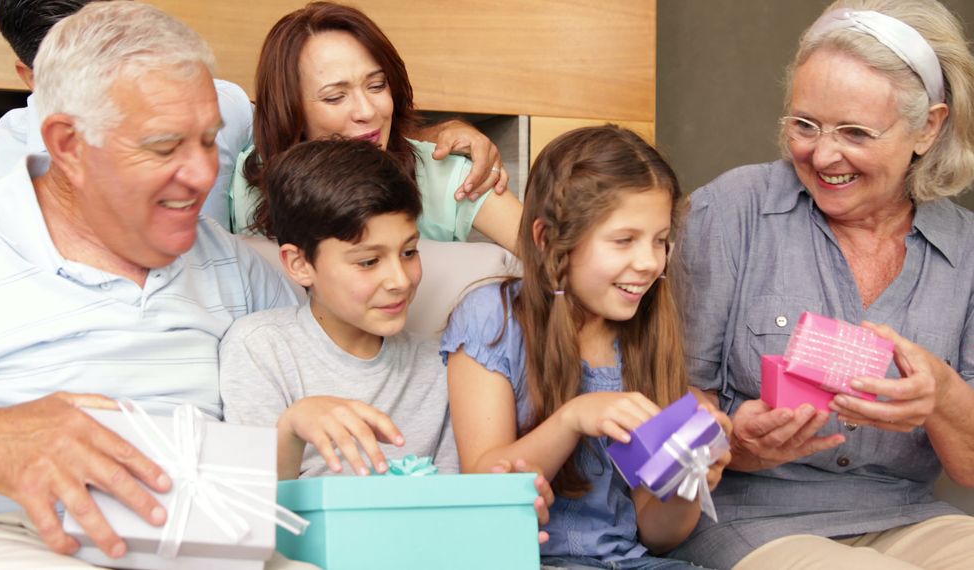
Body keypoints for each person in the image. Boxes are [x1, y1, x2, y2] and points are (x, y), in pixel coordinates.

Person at [0, 3, 305, 567]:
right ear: (67, 145)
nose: (202, 173)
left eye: (209, 141)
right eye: (164, 147)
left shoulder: (238, 269)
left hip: (209, 543)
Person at [670, 1, 974, 568]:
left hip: (906, 513)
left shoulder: (967, 252)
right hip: (749, 520)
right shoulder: (731, 211)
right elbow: (670, 399)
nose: (823, 154)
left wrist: (942, 392)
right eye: (805, 125)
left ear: (927, 127)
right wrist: (736, 443)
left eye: (855, 132)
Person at [0, 0, 501, 233]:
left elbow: (320, 124)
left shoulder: (222, 106)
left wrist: (435, 134)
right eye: (87, 65)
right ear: (31, 76)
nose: (194, 175)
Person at [441, 124, 732, 569]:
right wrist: (573, 418)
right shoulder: (492, 319)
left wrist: (685, 483)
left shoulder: (646, 331)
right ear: (547, 240)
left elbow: (656, 534)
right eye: (624, 240)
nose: (649, 263)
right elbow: (485, 487)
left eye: (659, 241)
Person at [219, 138, 457, 479]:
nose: (400, 281)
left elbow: (454, 508)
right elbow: (253, 510)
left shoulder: (440, 367)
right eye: (369, 261)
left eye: (409, 252)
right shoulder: (260, 349)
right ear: (300, 263)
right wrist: (292, 427)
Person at [232, 1, 523, 251]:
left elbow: (551, 258)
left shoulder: (447, 174)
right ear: (292, 112)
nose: (367, 111)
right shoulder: (252, 182)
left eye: (376, 85)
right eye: (335, 97)